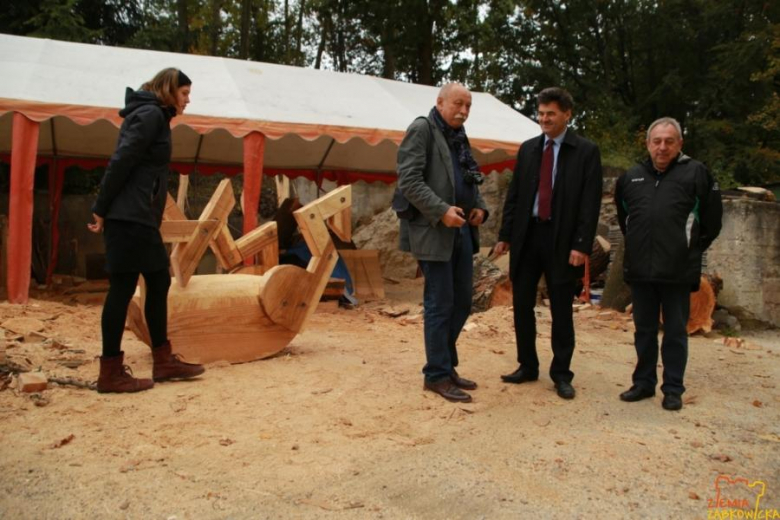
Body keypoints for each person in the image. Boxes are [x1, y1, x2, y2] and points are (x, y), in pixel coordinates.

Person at [88, 68, 205, 393]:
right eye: (184, 93)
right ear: (169, 89)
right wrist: (100, 207)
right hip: (129, 217)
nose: (188, 100)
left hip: (136, 216)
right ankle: (111, 371)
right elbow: (122, 159)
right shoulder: (151, 115)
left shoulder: (153, 116)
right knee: (125, 287)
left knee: (155, 279)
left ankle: (162, 359)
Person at [494, 87, 602, 400]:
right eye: (540, 114)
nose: (544, 119)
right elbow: (514, 198)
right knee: (522, 306)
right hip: (527, 239)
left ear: (567, 114)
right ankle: (527, 365)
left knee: (560, 309)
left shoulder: (585, 151)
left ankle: (561, 374)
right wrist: (504, 235)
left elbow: (589, 203)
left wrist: (581, 245)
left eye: (550, 114)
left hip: (562, 240)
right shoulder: (528, 150)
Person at [615, 117, 722, 411]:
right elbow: (627, 221)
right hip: (641, 270)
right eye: (656, 141)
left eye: (669, 141)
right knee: (644, 330)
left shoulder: (697, 174)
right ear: (648, 144)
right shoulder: (631, 176)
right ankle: (643, 383)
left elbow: (712, 222)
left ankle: (673, 389)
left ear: (680, 144)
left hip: (677, 270)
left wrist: (689, 250)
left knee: (675, 331)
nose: (662, 147)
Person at [396, 82, 489, 403]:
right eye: (458, 104)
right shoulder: (422, 129)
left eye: (468, 106)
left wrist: (479, 207)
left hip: (462, 228)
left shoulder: (459, 138)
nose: (463, 111)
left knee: (463, 301)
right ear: (440, 102)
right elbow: (408, 179)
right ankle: (435, 375)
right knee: (440, 303)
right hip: (433, 230)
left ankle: (445, 366)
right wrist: (441, 210)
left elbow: (470, 179)